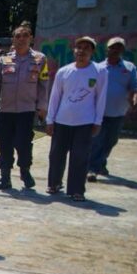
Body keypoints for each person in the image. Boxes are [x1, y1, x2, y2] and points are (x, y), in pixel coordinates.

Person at [0, 22, 50, 190]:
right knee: (4, 142)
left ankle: (25, 170)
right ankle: (5, 176)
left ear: (31, 39)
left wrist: (42, 106)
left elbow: (44, 85)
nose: (21, 39)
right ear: (13, 39)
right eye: (17, 36)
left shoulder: (40, 59)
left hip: (26, 111)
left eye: (25, 36)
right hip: (5, 110)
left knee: (23, 142)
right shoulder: (3, 61)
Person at [45, 36, 108, 202]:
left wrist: (97, 121)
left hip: (85, 122)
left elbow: (100, 98)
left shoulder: (99, 72)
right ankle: (54, 183)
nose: (81, 51)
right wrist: (50, 120)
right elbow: (55, 96)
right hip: (62, 120)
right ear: (74, 50)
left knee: (79, 157)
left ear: (92, 52)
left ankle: (76, 189)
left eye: (86, 48)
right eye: (79, 47)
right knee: (57, 155)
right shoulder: (64, 72)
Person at [88, 37, 137, 181]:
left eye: (119, 47)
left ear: (122, 50)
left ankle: (101, 163)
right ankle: (92, 168)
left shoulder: (129, 68)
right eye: (113, 47)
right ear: (107, 49)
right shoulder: (99, 68)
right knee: (97, 140)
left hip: (118, 112)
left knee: (111, 141)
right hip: (99, 112)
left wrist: (134, 98)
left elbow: (135, 86)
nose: (115, 50)